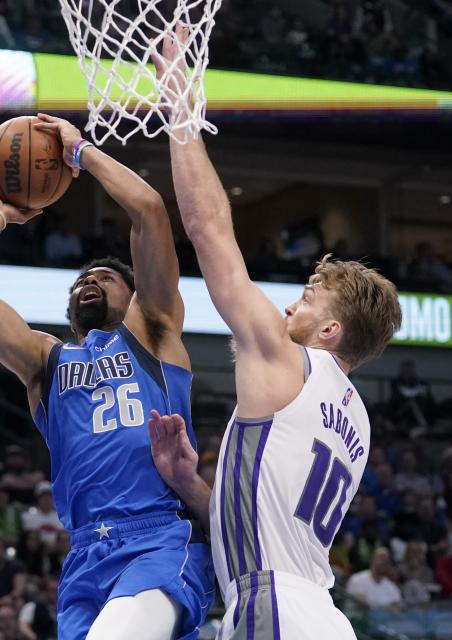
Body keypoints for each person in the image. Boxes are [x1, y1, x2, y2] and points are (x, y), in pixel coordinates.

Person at [146, 29, 401, 638]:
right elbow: (269, 523)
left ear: (331, 330)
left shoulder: (289, 360)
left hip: (276, 607)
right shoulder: (357, 419)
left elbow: (210, 232)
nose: (291, 305)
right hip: (317, 612)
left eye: (308, 299)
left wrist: (181, 110)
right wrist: (189, 484)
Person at [0, 111, 214, 639]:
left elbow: (148, 211)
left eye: (106, 277)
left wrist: (79, 153)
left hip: (158, 538)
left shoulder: (153, 333)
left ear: (134, 295)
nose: (89, 280)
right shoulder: (46, 363)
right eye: (81, 279)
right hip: (85, 554)